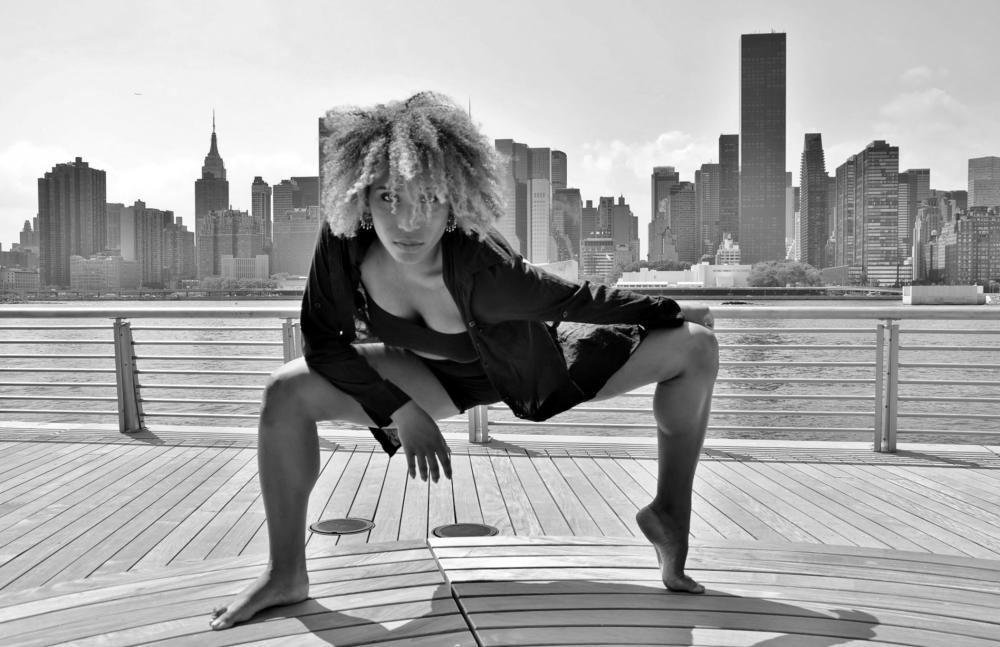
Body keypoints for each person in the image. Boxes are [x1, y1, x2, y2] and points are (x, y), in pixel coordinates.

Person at [210, 92, 718, 630]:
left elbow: (578, 300)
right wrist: (401, 410)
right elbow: (322, 342)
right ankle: (285, 573)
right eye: (389, 197)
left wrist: (676, 310)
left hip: (521, 368)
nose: (408, 222)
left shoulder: (486, 267)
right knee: (284, 392)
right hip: (428, 377)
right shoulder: (344, 242)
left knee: (698, 347)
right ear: (362, 197)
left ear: (454, 200)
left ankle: (669, 512)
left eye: (429, 198)